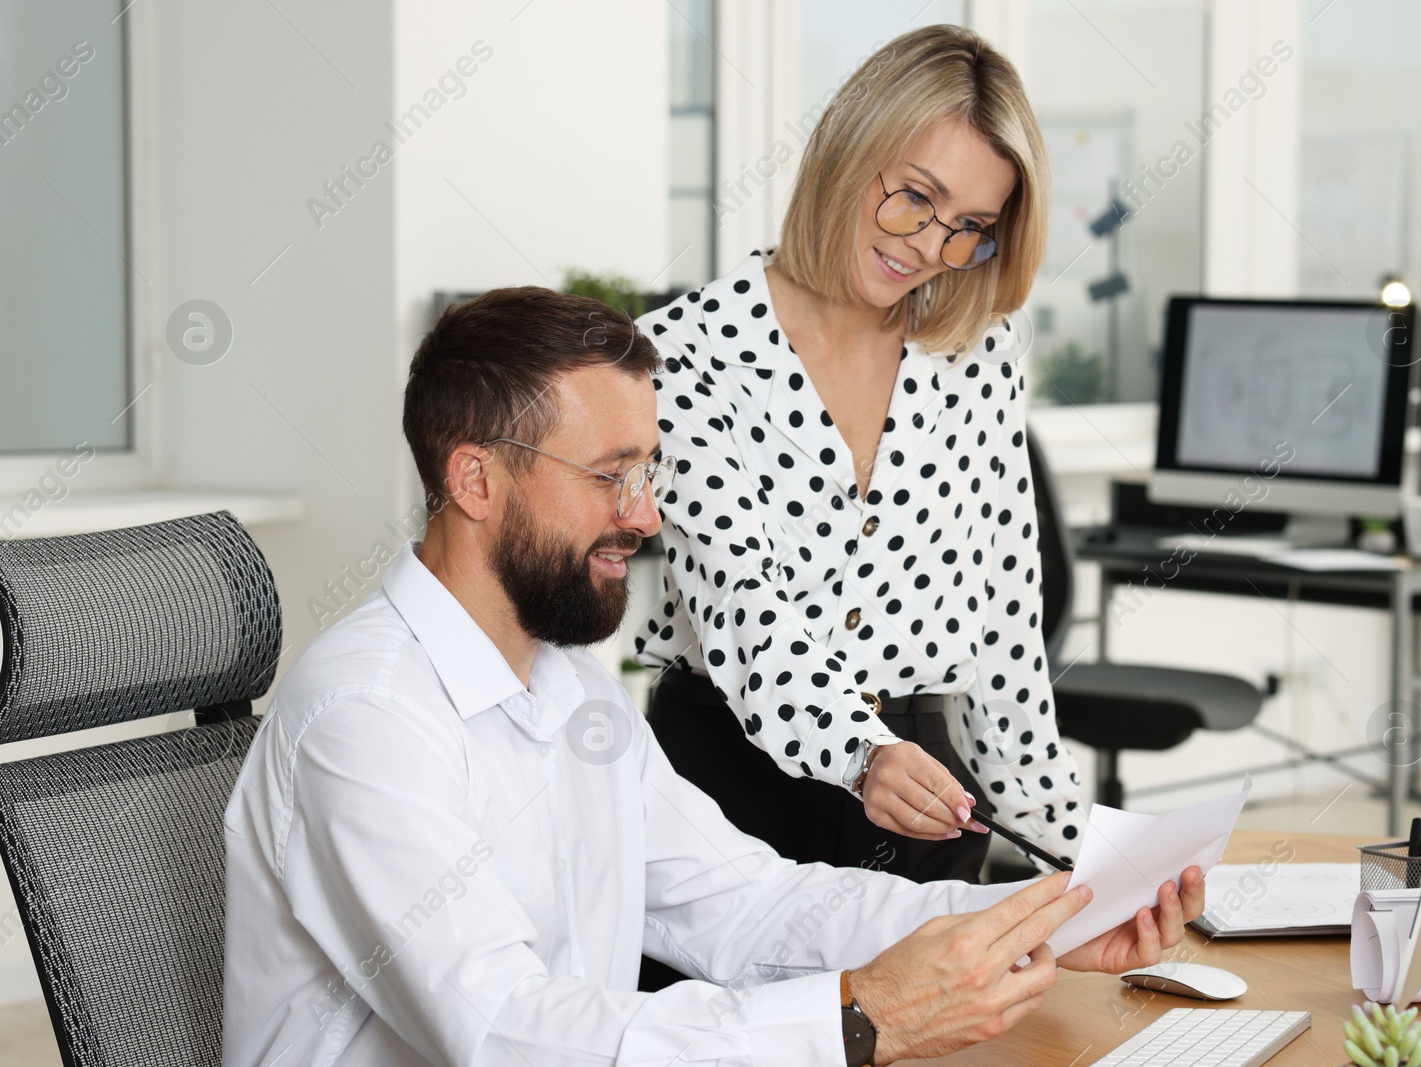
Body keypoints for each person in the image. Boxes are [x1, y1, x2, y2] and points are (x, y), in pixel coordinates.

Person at [222, 288, 1205, 1067]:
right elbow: (505, 1033)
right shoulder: (367, 717)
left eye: (648, 471)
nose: (645, 515)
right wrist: (855, 1021)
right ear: (475, 479)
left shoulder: (572, 688)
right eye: (610, 474)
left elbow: (746, 906)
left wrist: (1034, 916)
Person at [636, 24, 1081, 888]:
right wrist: (859, 750)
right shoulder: (688, 353)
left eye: (969, 228)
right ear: (849, 147)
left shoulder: (978, 356)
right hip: (730, 789)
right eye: (915, 196)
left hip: (924, 794)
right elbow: (744, 609)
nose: (927, 246)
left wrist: (1083, 854)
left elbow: (1004, 626)